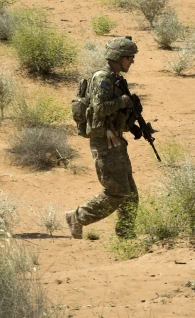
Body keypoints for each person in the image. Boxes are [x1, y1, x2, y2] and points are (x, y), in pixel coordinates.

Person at [66, 36, 140, 239]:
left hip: (116, 140)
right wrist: (123, 101)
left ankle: (125, 236)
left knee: (130, 194)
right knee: (117, 191)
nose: (132, 61)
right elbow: (99, 109)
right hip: (105, 142)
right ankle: (78, 217)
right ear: (118, 57)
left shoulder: (116, 79)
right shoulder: (103, 78)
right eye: (129, 58)